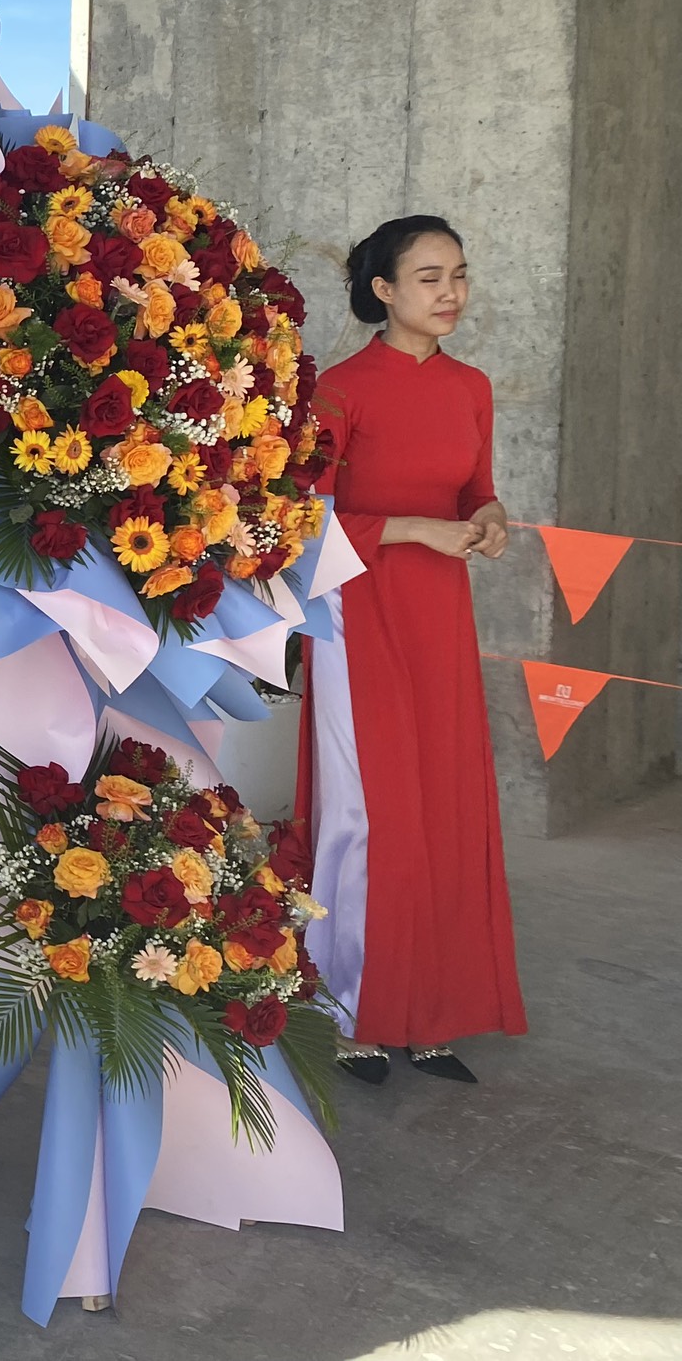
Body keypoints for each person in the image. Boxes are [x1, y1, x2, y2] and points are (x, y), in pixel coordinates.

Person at [299, 216, 526, 1084]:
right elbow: (300, 522)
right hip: (359, 613)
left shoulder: (472, 386)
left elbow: (477, 487)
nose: (451, 293)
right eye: (429, 278)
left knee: (443, 805)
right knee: (370, 811)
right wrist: (410, 529)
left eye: (460, 275)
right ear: (382, 291)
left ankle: (429, 1010)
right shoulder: (337, 391)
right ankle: (353, 1007)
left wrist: (489, 517)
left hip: (442, 614)